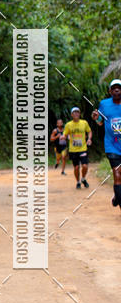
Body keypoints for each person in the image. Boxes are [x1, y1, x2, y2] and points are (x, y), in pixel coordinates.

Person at [91, 78, 121, 210]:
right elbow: (100, 122)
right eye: (114, 88)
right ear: (110, 91)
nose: (117, 90)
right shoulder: (104, 104)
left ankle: (117, 197)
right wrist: (96, 117)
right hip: (112, 146)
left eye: (119, 88)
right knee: (117, 173)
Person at [63, 107, 92, 189]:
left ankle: (83, 178)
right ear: (71, 114)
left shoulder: (84, 123)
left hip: (83, 148)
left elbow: (89, 131)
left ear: (79, 114)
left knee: (85, 166)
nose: (76, 114)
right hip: (73, 150)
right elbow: (65, 134)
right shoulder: (68, 125)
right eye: (74, 112)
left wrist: (89, 139)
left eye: (77, 112)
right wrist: (63, 137)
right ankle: (78, 182)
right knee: (76, 167)